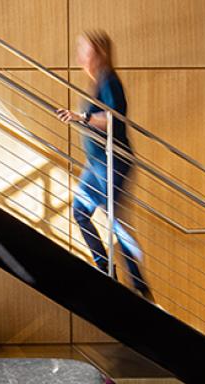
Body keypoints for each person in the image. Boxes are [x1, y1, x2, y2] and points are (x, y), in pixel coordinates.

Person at [56, 29, 152, 300]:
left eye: (84, 49)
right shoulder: (96, 82)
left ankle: (138, 284)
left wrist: (81, 117)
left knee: (116, 221)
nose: (79, 54)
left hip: (113, 161)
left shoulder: (110, 80)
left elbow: (113, 119)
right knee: (80, 211)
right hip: (96, 163)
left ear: (98, 53)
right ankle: (106, 268)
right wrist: (80, 118)